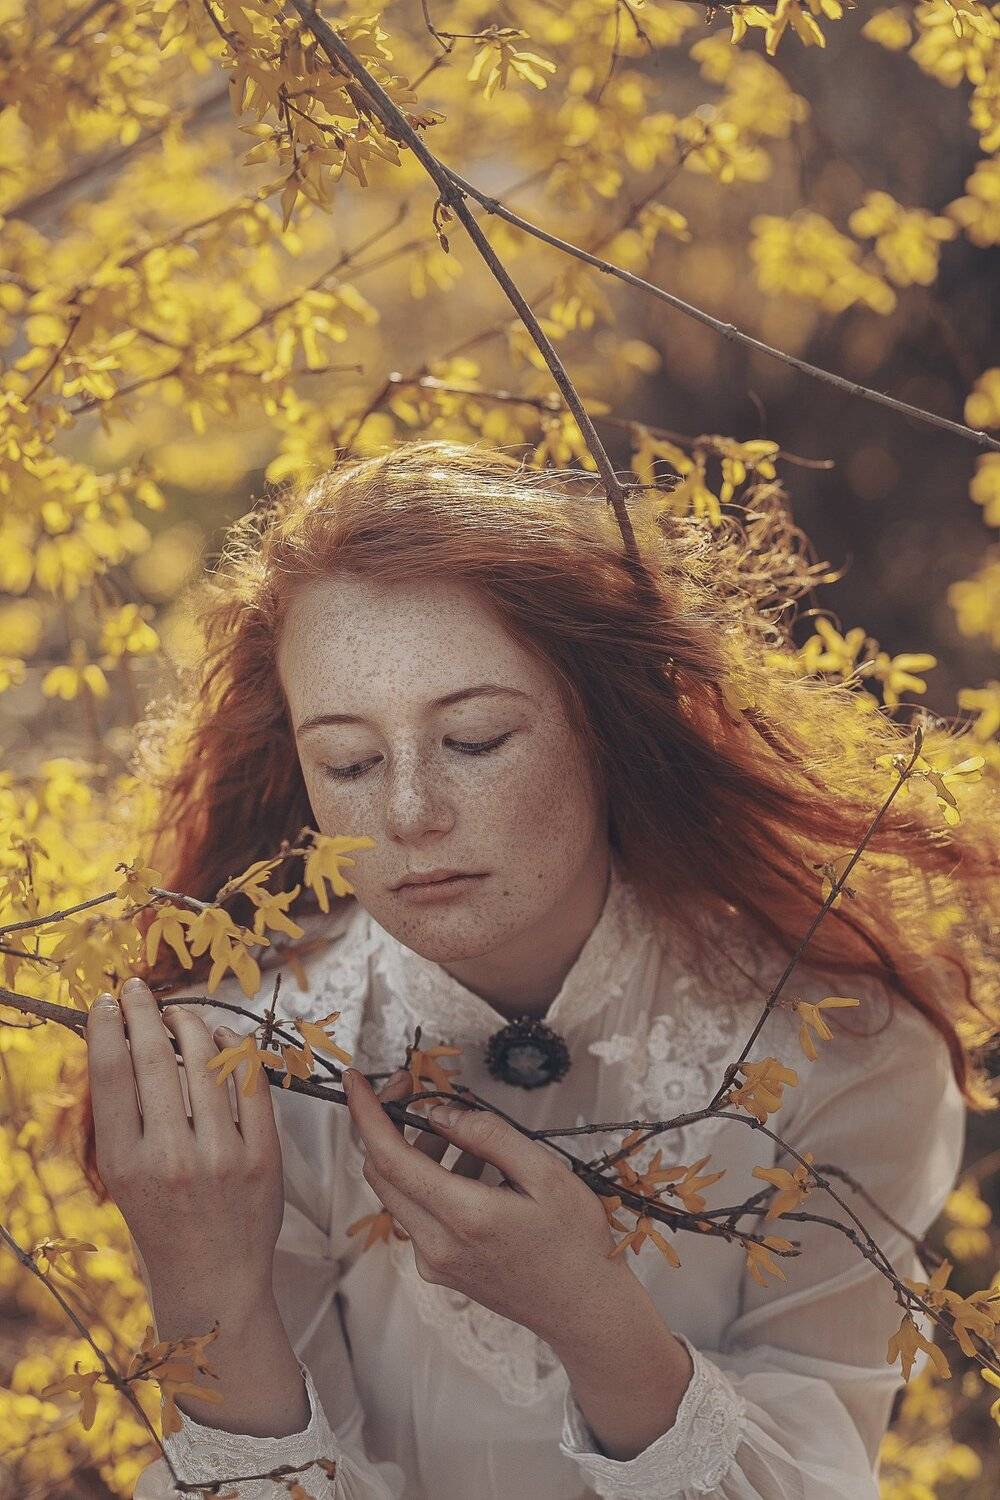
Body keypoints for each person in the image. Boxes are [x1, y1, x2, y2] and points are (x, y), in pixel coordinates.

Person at [74, 441, 995, 1499]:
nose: (411, 814)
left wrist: (595, 1318)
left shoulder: (844, 1050)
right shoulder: (238, 1076)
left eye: (473, 739)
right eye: (350, 762)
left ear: (609, 726)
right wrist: (211, 1305)